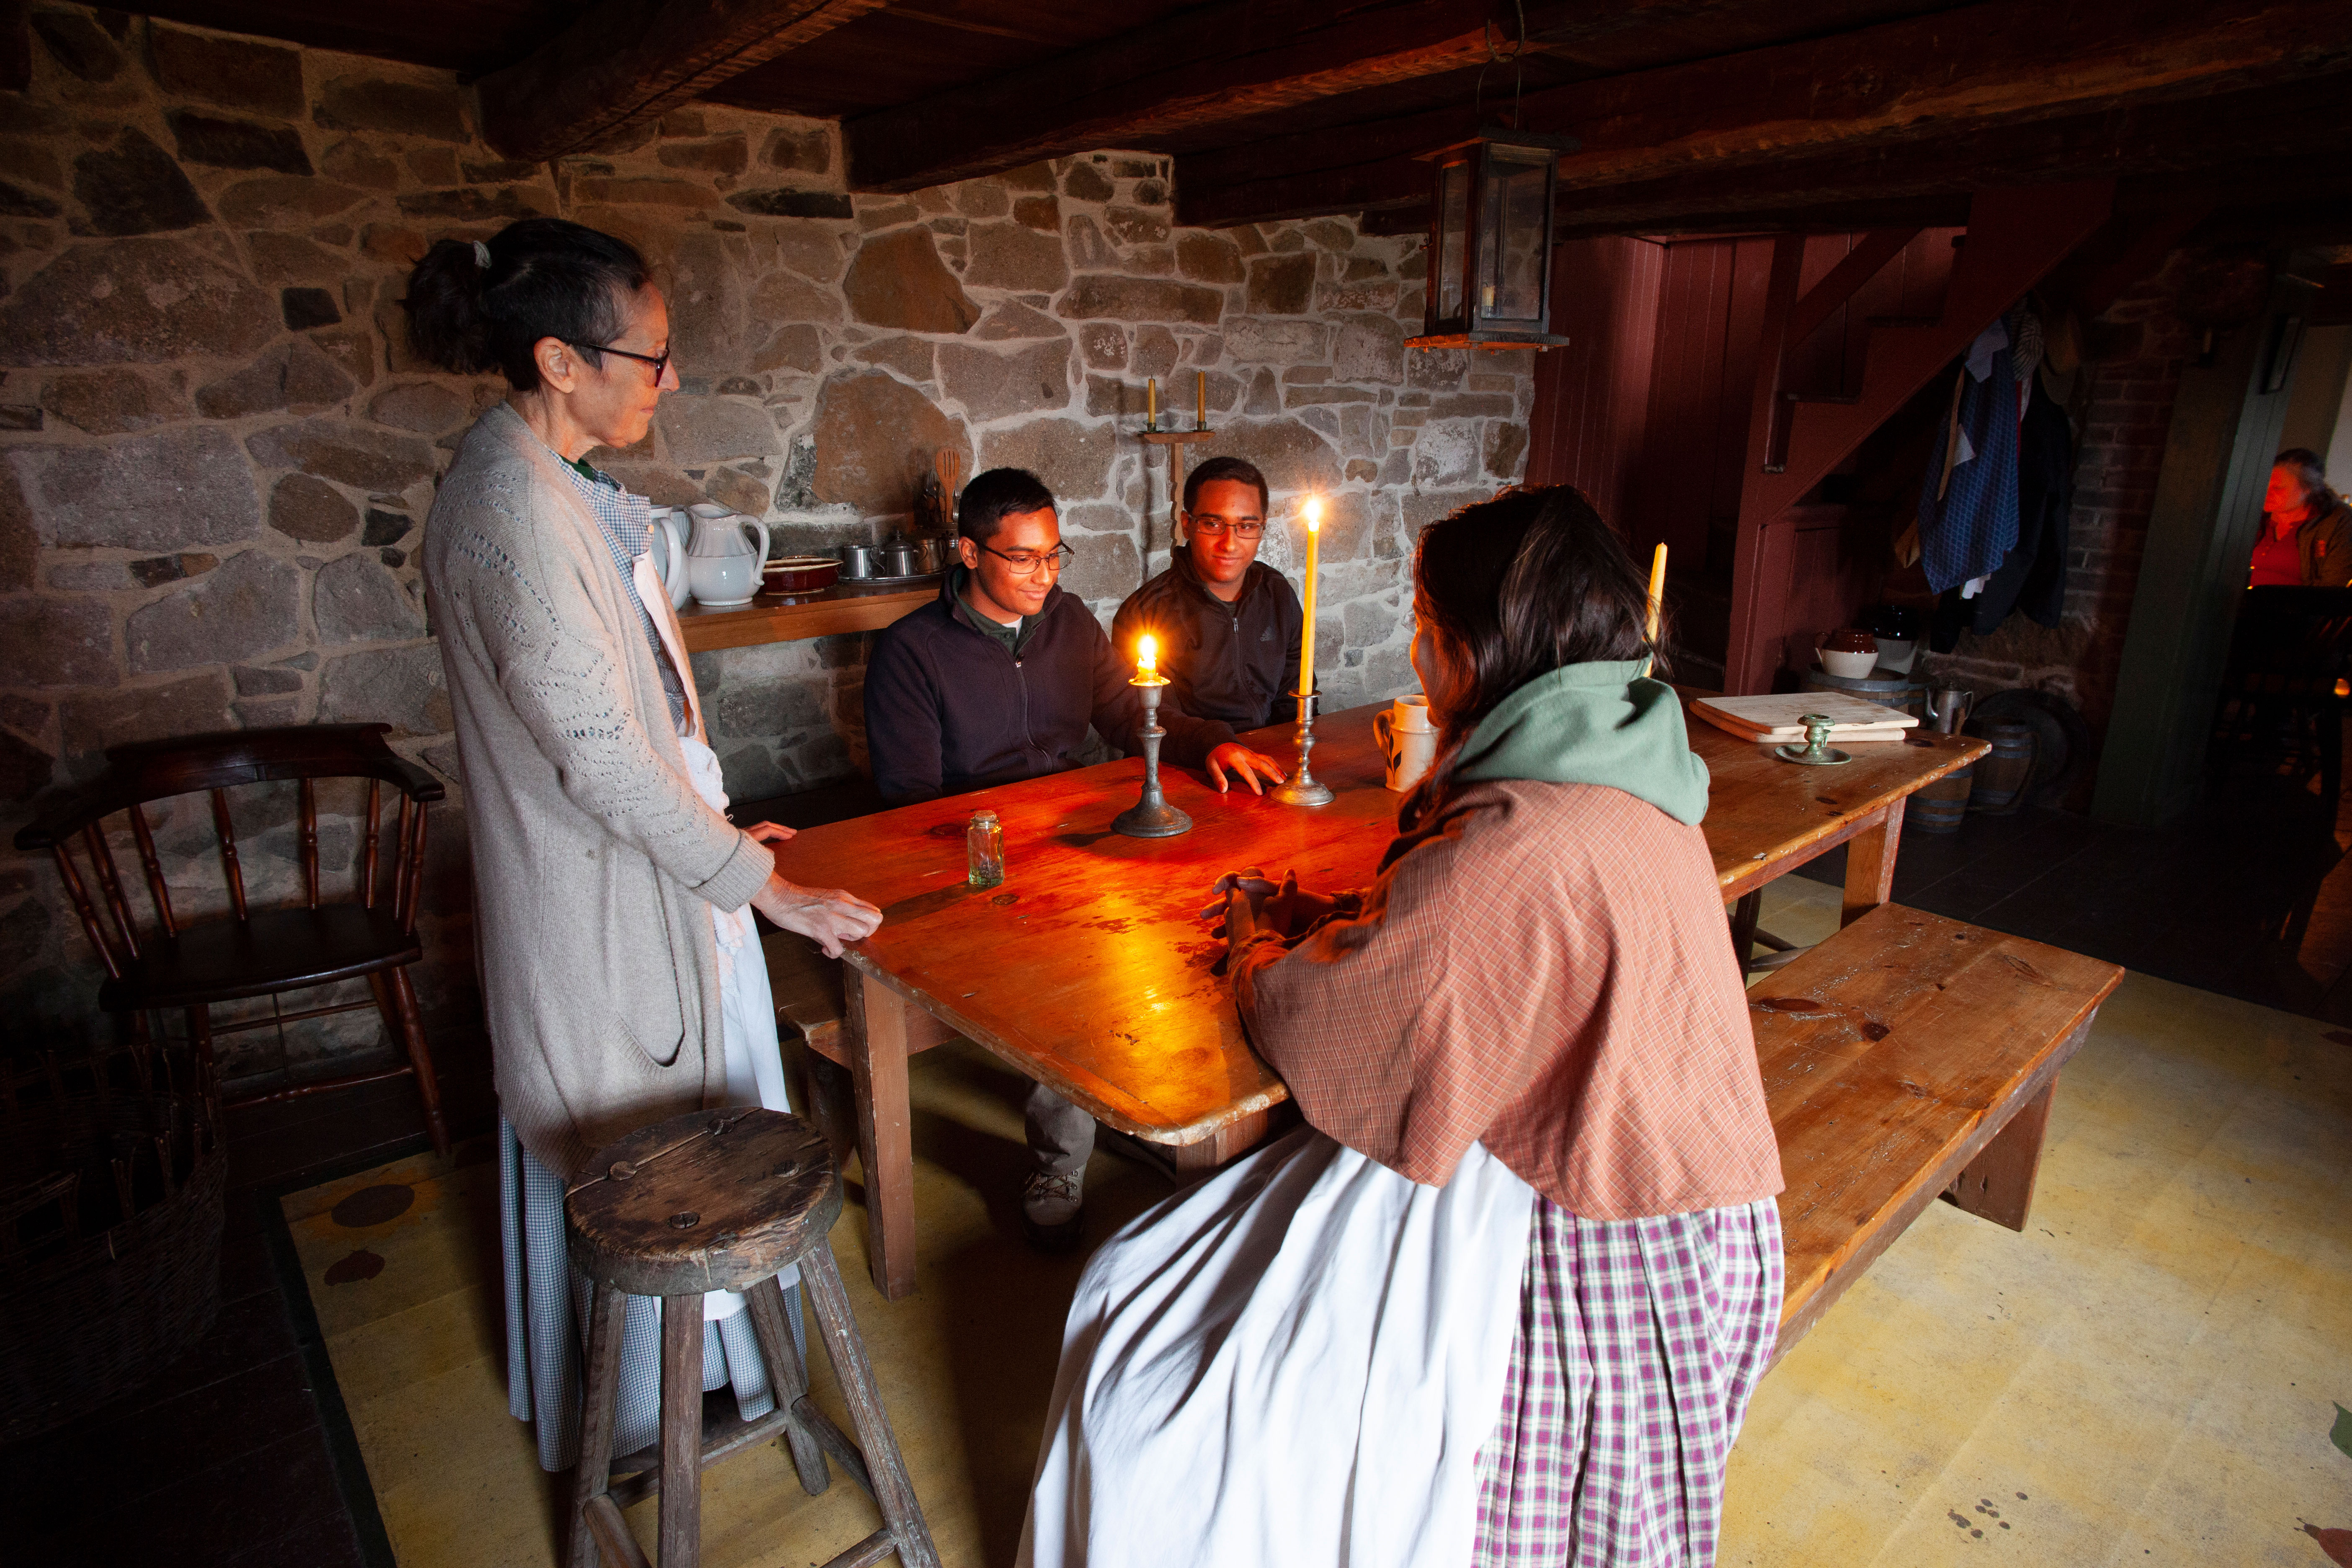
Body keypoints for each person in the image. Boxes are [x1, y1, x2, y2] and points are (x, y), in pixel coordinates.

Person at [1021, 485, 1787, 1568]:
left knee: (1140, 1343)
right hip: (1691, 1190)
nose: (1418, 656)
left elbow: (1331, 1028)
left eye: (1425, 630)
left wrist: (1253, 949)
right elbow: (1482, 950)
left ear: (1475, 654)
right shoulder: (1627, 771)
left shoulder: (1515, 844)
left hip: (1587, 1243)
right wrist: (1356, 919)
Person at [411, 217, 884, 1474]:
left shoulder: (555, 482)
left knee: (703, 1117)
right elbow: (600, 754)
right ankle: (637, 1429)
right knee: (638, 1157)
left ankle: (723, 1376)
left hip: (662, 866)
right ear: (562, 360)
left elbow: (639, 712)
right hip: (600, 905)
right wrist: (762, 885)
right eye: (653, 355)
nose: (669, 380)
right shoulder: (509, 509)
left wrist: (723, 830)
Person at [863, 466, 1286, 1249]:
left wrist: (1213, 741)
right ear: (968, 552)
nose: (1044, 575)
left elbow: (1133, 713)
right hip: (977, 866)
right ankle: (1064, 1156)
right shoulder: (911, 652)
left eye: (1054, 554)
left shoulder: (1070, 622)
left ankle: (1165, 1111)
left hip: (1076, 845)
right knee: (1078, 959)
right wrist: (1024, 852)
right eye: (1022, 558)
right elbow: (911, 808)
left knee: (1209, 901)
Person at [1112, 456, 1304, 730]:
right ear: (1187, 524)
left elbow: (1295, 695)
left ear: (1262, 528)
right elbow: (1155, 722)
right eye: (1213, 524)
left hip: (1272, 752)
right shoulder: (1146, 613)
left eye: (1247, 526)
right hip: (1191, 760)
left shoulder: (1277, 593)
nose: (1230, 544)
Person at [2250, 448, 2352, 587]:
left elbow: (2333, 586)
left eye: (2278, 488)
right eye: (2265, 486)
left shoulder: (2336, 521)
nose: (2267, 493)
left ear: (2307, 488)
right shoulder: (2256, 516)